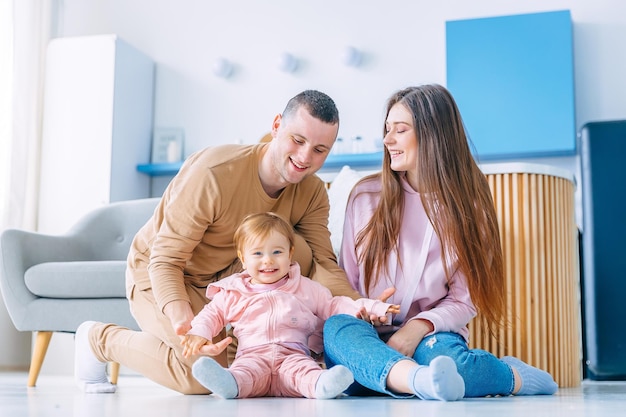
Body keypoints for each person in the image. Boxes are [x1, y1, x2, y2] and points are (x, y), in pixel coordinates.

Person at [74, 90, 364, 394]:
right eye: (298, 140)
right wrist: (181, 315)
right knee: (199, 376)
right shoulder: (213, 173)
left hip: (229, 281)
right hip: (163, 272)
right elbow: (166, 259)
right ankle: (98, 339)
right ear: (277, 125)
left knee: (298, 252)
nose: (305, 158)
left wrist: (358, 306)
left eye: (320, 149)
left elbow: (321, 262)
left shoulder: (313, 192)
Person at [322, 84, 559, 399]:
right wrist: (364, 309)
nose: (387, 140)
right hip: (366, 337)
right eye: (387, 129)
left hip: (429, 336)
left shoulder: (470, 207)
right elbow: (347, 281)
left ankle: (513, 377)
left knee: (445, 362)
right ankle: (422, 382)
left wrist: (415, 328)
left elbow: (464, 299)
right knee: (337, 330)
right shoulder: (365, 197)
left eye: (400, 130)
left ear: (433, 134)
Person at [181, 211, 400, 399]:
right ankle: (229, 384)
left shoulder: (305, 288)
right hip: (252, 356)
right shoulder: (234, 292)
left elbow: (335, 306)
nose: (268, 260)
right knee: (244, 373)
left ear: (290, 253)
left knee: (305, 373)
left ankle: (322, 384)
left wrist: (373, 308)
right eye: (258, 253)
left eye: (277, 252)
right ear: (243, 258)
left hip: (293, 355)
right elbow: (213, 313)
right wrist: (199, 332)